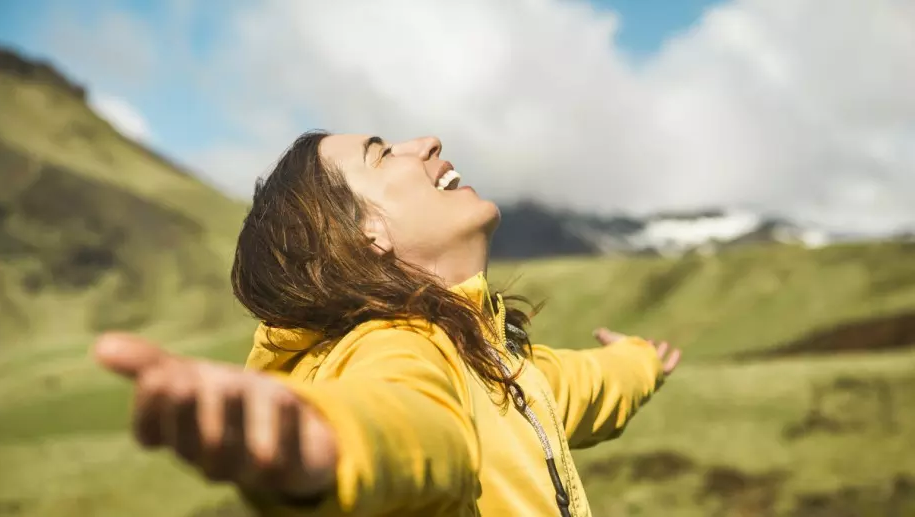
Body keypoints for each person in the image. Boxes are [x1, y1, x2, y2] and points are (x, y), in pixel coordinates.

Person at [94, 131, 681, 517]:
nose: (426, 142)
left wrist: (640, 360)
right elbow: (407, 419)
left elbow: (579, 385)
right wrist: (331, 443)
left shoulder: (492, 357)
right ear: (364, 233)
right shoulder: (399, 345)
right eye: (380, 154)